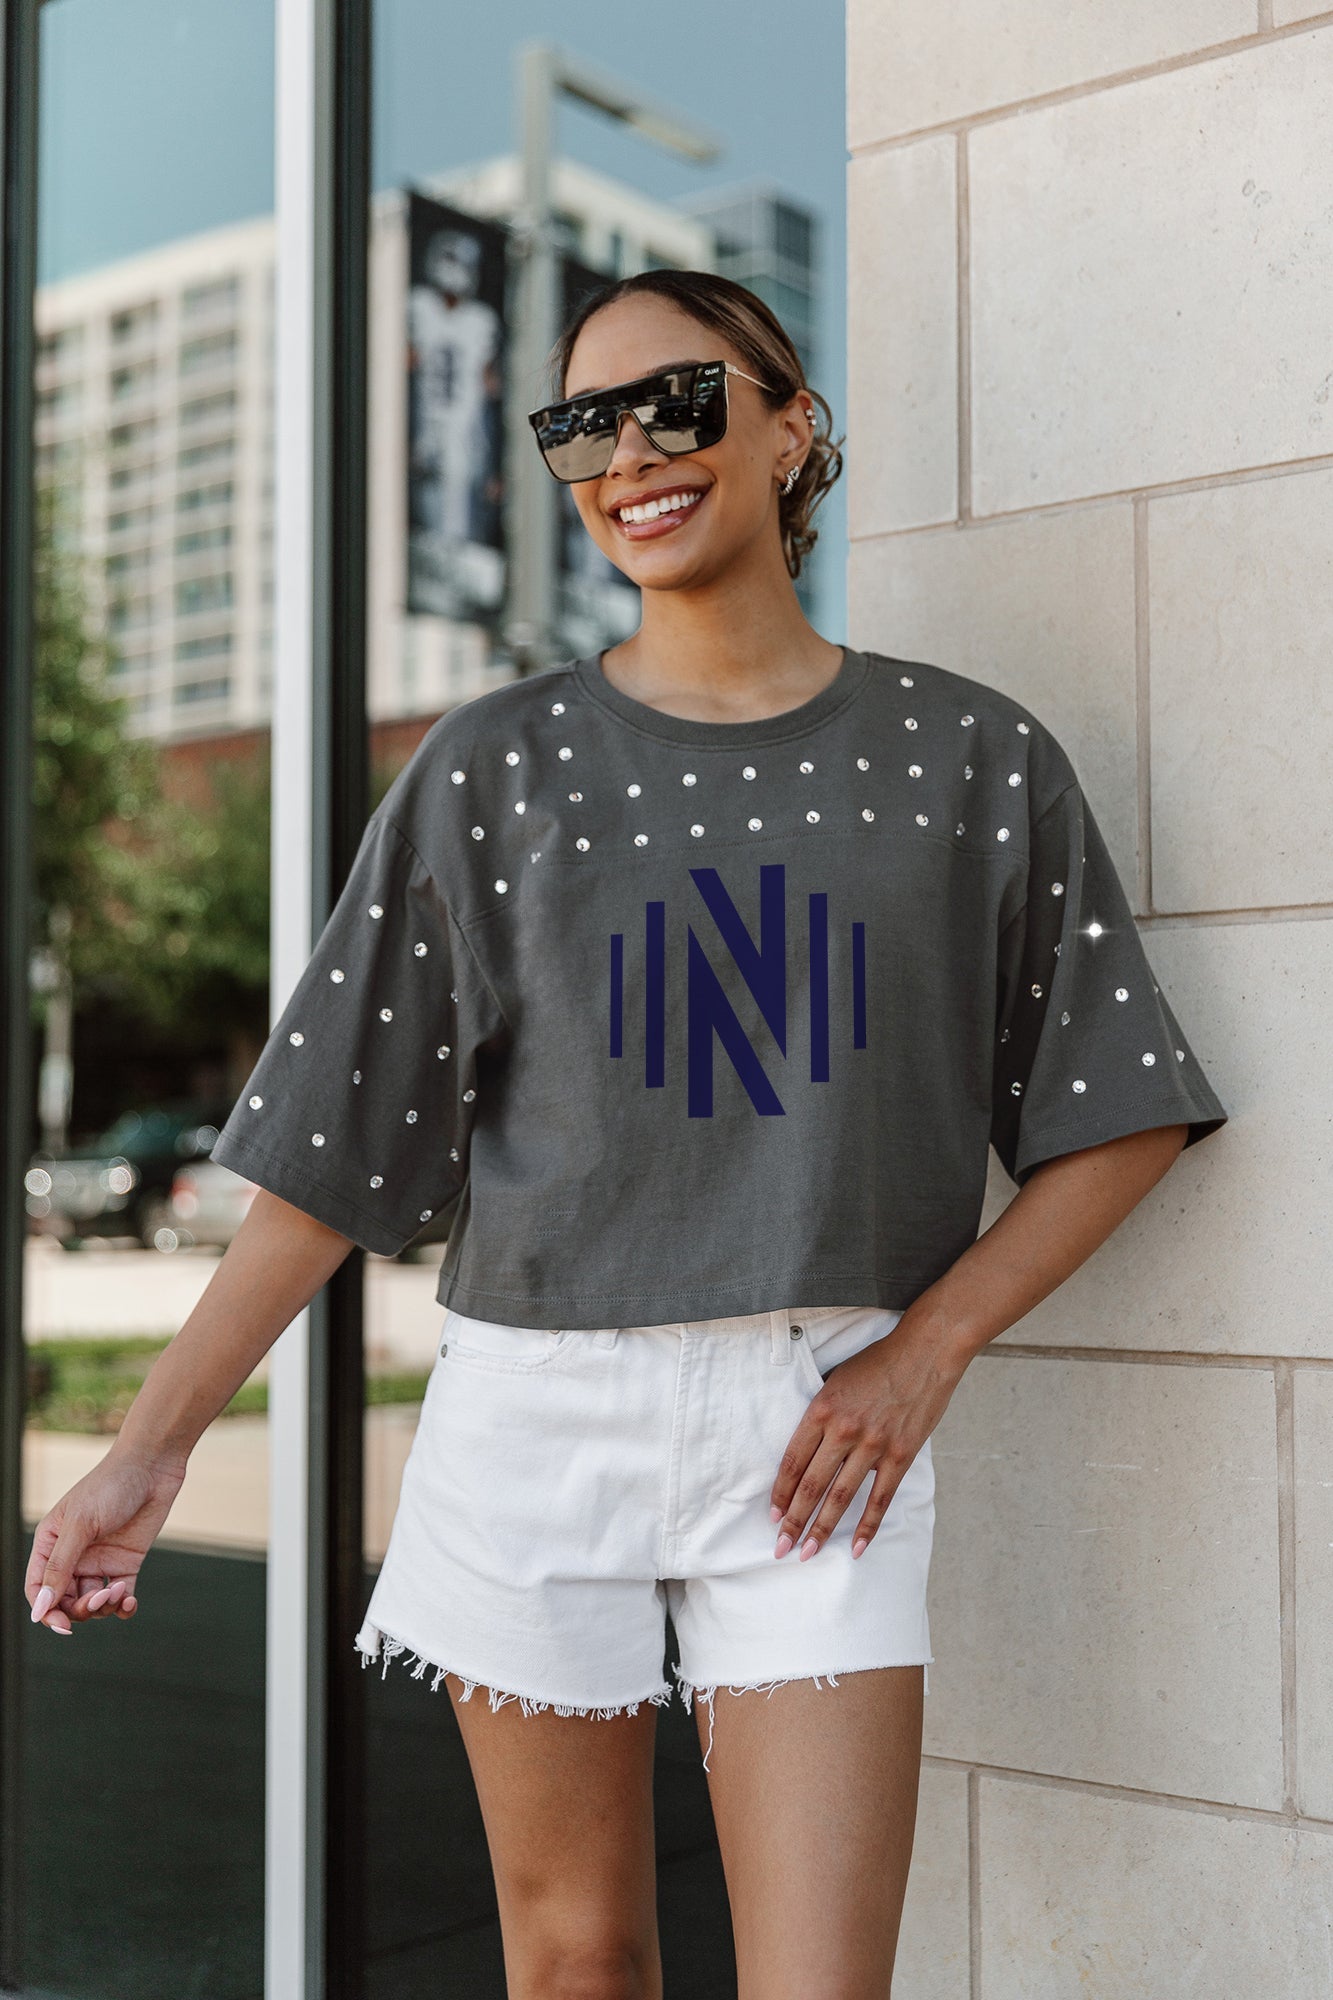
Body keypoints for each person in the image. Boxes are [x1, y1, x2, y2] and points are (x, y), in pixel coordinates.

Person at [25, 269, 1228, 1998]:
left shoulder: (967, 757)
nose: (629, 456)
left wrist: (926, 1351)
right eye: (581, 426)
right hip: (535, 1416)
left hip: (821, 1429)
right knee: (575, 1964)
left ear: (791, 425)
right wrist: (151, 1448)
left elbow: (1120, 1109)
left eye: (678, 401)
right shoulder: (492, 768)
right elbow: (330, 1155)